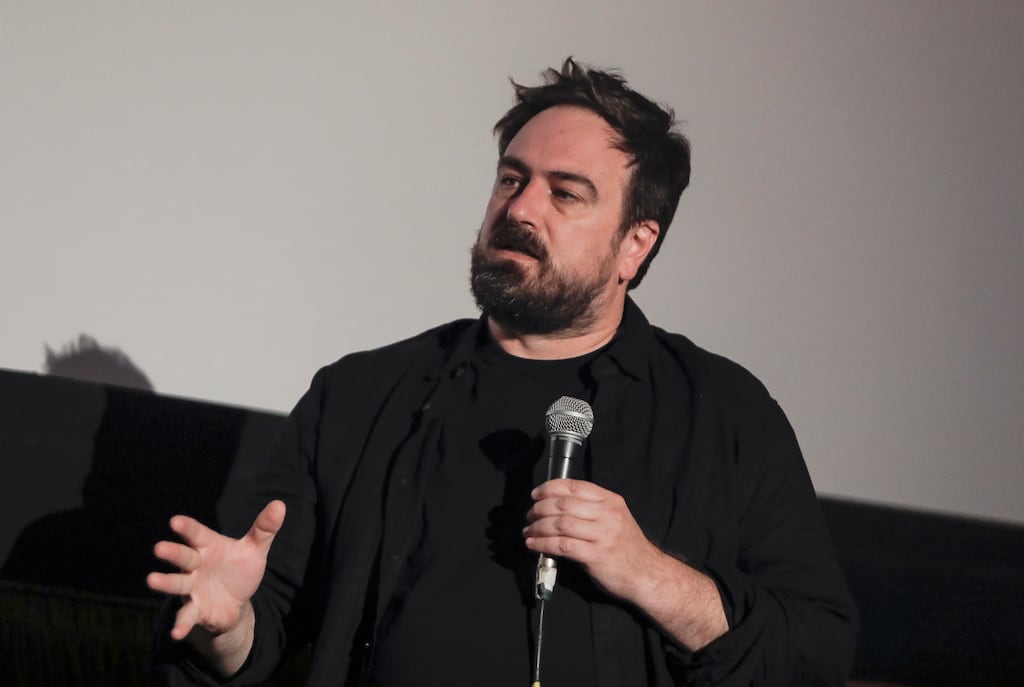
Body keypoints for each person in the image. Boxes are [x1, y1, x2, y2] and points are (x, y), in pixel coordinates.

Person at [148, 58, 857, 686]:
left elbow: (813, 650)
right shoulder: (359, 395)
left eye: (565, 193)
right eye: (512, 179)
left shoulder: (723, 413)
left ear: (635, 245)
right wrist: (225, 624)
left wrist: (648, 572)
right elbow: (260, 627)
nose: (519, 209)